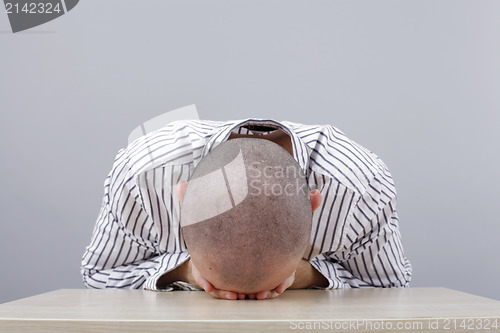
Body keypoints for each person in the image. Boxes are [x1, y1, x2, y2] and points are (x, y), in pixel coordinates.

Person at [81, 118, 412, 300]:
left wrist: (305, 275)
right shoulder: (143, 174)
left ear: (314, 203)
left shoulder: (359, 186)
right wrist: (185, 272)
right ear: (183, 198)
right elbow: (99, 277)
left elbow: (390, 290)